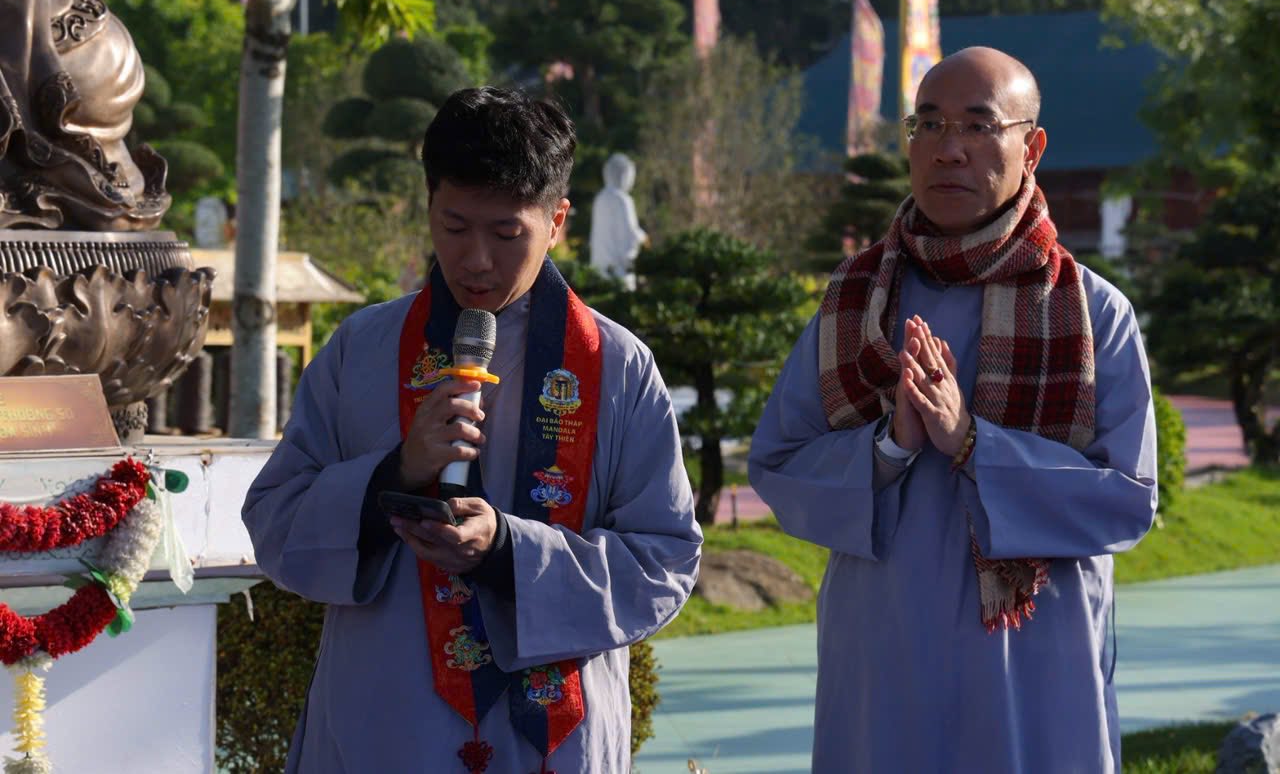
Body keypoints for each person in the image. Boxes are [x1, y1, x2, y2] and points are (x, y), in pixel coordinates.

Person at [242, 87, 701, 773]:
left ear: (558, 221)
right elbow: (275, 524)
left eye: (507, 234)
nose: (476, 260)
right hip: (388, 724)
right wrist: (395, 472)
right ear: (429, 205)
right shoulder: (362, 350)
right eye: (454, 228)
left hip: (554, 741)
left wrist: (508, 550)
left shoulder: (617, 366)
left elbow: (664, 564)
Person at [749, 47, 1157, 773]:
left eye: (977, 125)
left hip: (1034, 658)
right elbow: (780, 464)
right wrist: (890, 445)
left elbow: (1126, 499)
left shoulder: (1091, 312)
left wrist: (973, 442)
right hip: (884, 650)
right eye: (929, 124)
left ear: (1032, 147)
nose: (949, 149)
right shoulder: (857, 304)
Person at [588, 152, 647, 290]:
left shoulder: (600, 198)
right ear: (623, 175)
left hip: (599, 266)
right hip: (619, 269)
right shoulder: (623, 200)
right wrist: (643, 238)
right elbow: (630, 234)